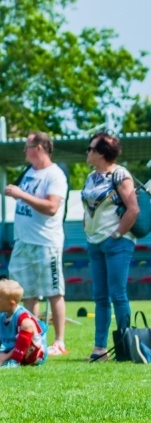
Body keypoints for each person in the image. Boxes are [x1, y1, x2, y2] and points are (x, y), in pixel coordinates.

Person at [5, 131, 69, 356]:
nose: (24, 151)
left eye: (27, 146)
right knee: (27, 293)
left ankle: (59, 342)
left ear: (39, 148)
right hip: (23, 241)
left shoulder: (55, 175)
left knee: (53, 291)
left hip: (45, 242)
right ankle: (33, 337)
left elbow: (51, 207)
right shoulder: (29, 172)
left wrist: (21, 194)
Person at [81, 133, 139, 363]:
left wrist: (117, 234)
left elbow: (133, 209)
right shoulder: (90, 176)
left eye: (90, 148)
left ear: (102, 153)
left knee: (118, 294)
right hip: (94, 242)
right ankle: (99, 349)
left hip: (117, 242)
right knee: (100, 297)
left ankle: (126, 346)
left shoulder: (120, 174)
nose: (87, 152)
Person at [0, 279, 46, 367]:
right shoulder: (3, 314)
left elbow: (22, 343)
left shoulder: (22, 317)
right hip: (11, 351)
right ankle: (7, 361)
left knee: (27, 324)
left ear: (11, 303)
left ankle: (14, 362)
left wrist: (3, 358)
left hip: (30, 354)